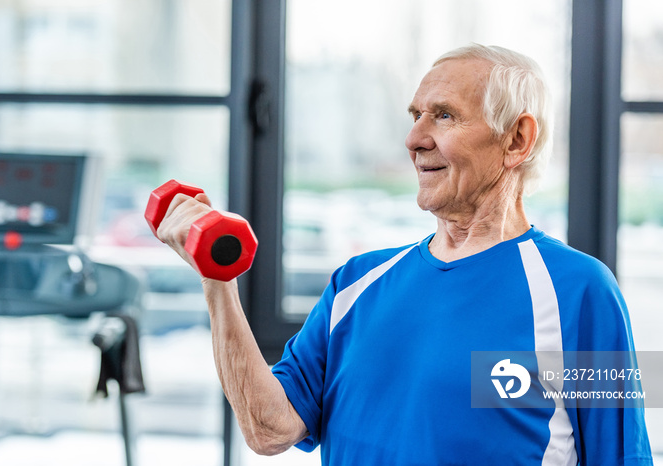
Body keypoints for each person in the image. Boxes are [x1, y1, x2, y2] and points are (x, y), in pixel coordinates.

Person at [156, 44, 653, 465]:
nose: (415, 139)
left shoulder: (579, 291)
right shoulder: (356, 282)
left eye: (444, 115)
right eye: (416, 116)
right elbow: (269, 430)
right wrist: (216, 280)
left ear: (517, 140)